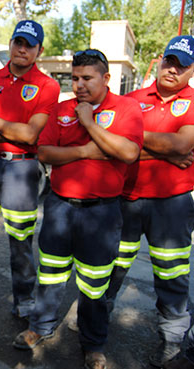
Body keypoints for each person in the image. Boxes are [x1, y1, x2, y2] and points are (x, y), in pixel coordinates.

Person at [13, 49, 143, 369]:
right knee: (51, 274)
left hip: (102, 212)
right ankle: (40, 327)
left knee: (94, 282)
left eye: (87, 78)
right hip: (60, 207)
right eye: (75, 78)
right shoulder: (61, 109)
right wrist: (88, 149)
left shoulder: (126, 108)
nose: (80, 84)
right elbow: (44, 152)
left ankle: (93, 343)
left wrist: (89, 123)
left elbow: (127, 152)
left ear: (106, 78)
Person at [105, 35, 194, 368]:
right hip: (127, 198)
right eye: (169, 61)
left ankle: (172, 341)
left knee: (172, 274)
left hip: (171, 205)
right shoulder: (131, 98)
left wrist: (136, 142)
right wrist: (168, 151)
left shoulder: (193, 101)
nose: (172, 69)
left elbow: (183, 144)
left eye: (182, 65)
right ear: (160, 59)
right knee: (111, 265)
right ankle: (93, 322)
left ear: (191, 70)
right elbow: (114, 143)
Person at [0, 20, 60, 316]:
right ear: (10, 44)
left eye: (29, 45)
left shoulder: (47, 86)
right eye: (18, 42)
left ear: (39, 50)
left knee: (21, 241)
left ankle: (23, 301)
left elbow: (31, 135)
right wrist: (12, 130)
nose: (22, 49)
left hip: (22, 171)